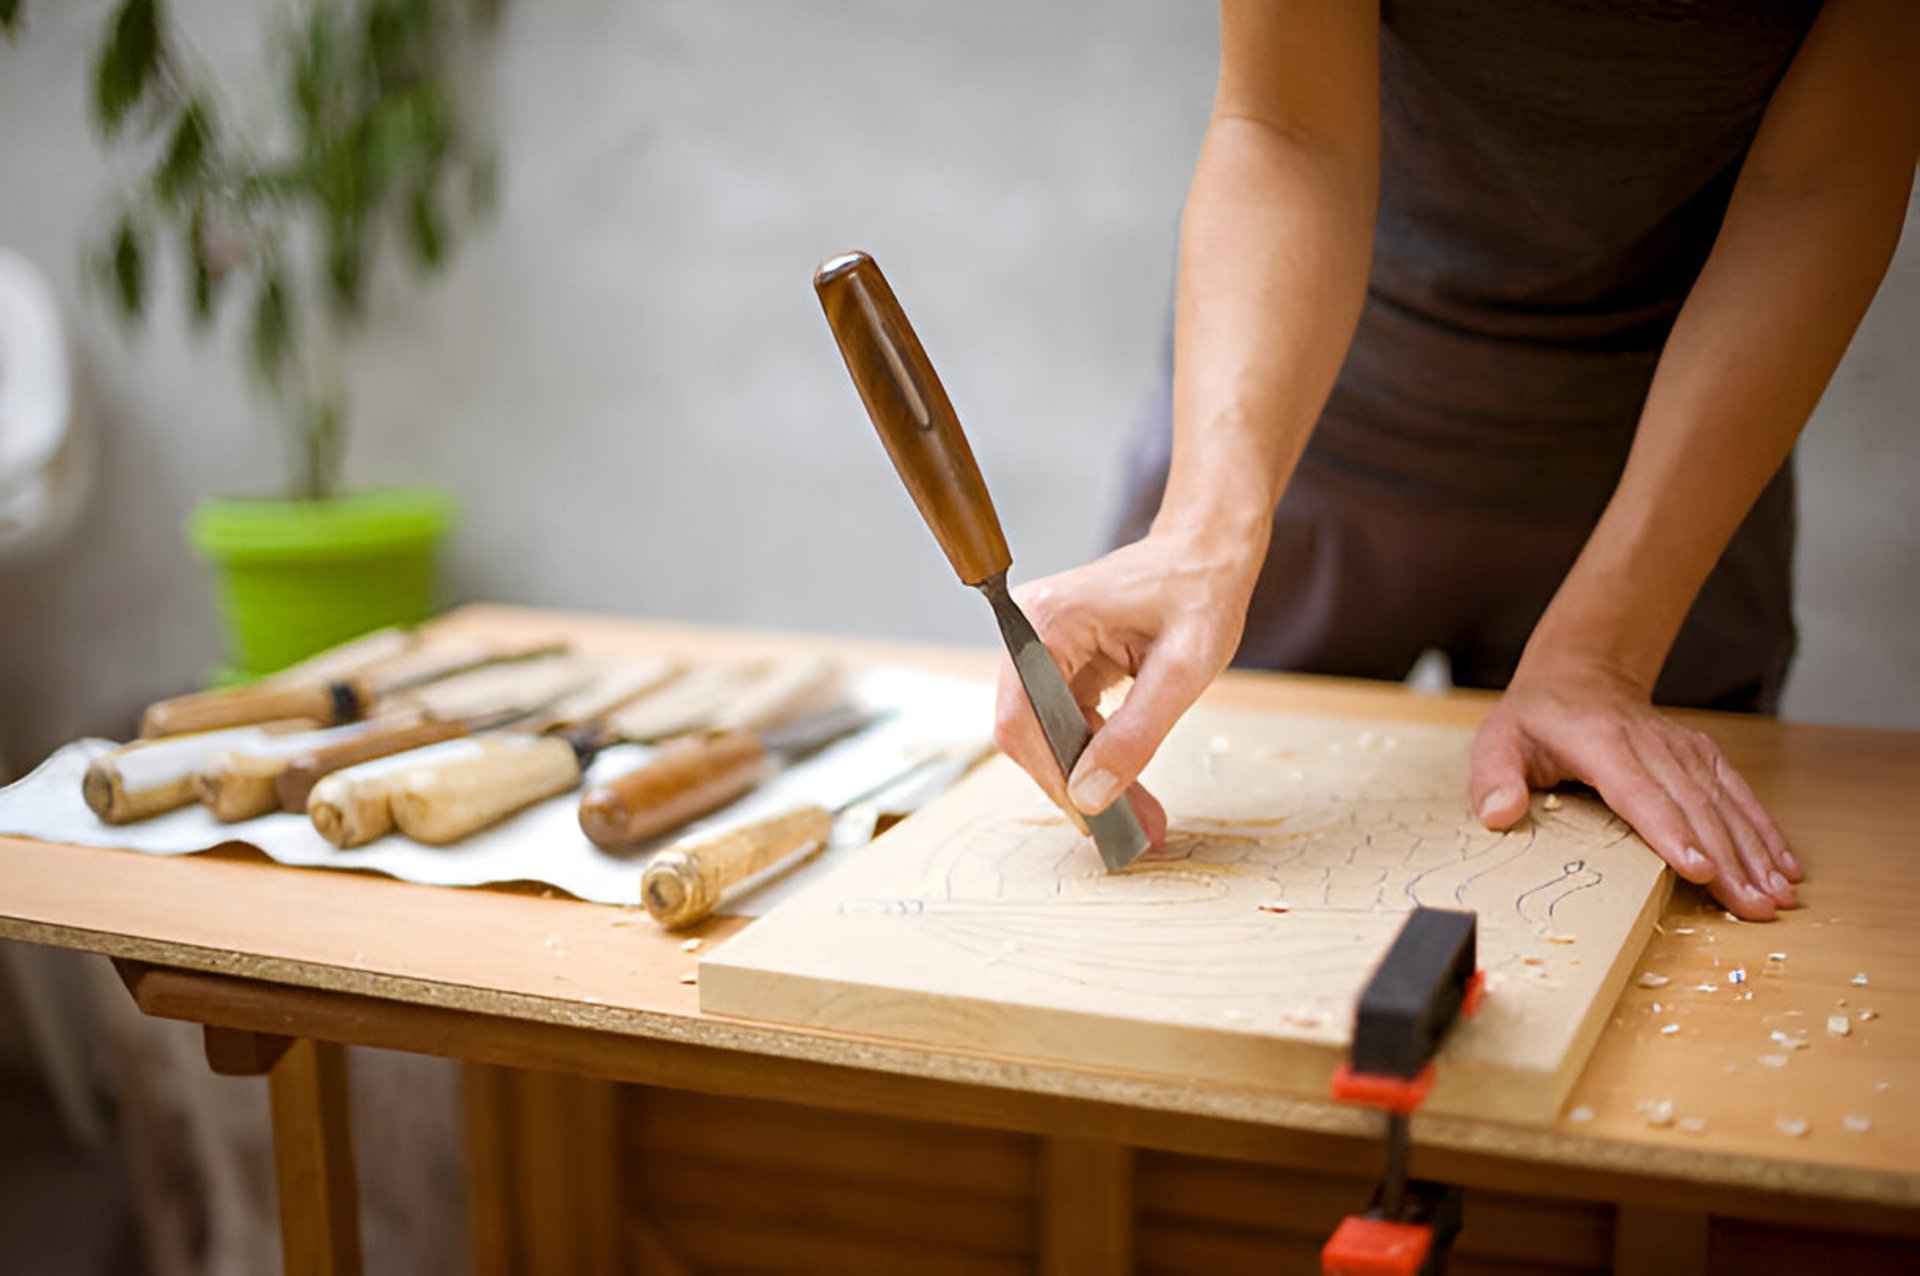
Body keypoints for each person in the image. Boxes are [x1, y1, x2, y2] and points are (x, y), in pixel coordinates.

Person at [992, 1, 1919, 922]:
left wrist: (1604, 655)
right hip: (1294, 416)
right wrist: (1202, 531)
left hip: (1675, 454)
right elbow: (1289, 132)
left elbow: (1824, 182)